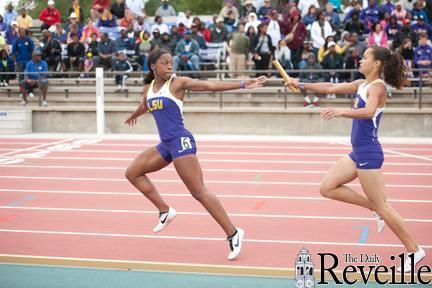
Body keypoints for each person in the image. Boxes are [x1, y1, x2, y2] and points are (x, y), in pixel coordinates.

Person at [286, 46, 426, 273]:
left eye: (365, 58)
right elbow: (330, 86)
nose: (360, 61)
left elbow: (369, 111)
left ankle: (414, 250)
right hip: (357, 153)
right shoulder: (361, 84)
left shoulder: (378, 87)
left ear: (377, 63)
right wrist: (300, 84)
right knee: (327, 187)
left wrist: (341, 112)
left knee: (385, 207)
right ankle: (373, 208)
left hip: (368, 153)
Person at [124, 48, 266, 260]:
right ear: (153, 65)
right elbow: (145, 104)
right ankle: (165, 210)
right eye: (165, 63)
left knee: (198, 192)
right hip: (165, 145)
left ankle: (234, 233)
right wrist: (133, 115)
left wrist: (244, 83)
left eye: (171, 62)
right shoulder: (149, 88)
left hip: (180, 141)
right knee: (132, 173)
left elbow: (210, 86)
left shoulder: (178, 83)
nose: (170, 66)